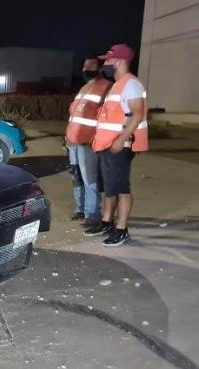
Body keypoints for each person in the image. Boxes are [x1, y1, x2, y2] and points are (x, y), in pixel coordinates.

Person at [85, 44, 149, 246]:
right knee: (110, 187)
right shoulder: (118, 84)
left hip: (119, 146)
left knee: (121, 188)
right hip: (107, 145)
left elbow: (137, 113)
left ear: (119, 60)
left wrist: (122, 139)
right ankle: (106, 222)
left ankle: (121, 229)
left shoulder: (130, 84)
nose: (106, 63)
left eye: (109, 59)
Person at [65, 57, 111, 227]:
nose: (86, 70)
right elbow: (74, 114)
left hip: (88, 143)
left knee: (89, 179)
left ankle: (92, 214)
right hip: (73, 143)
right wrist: (67, 137)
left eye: (90, 67)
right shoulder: (84, 87)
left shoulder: (106, 87)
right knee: (76, 177)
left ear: (99, 69)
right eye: (84, 66)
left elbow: (106, 117)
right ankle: (80, 209)